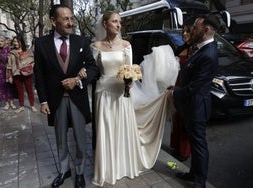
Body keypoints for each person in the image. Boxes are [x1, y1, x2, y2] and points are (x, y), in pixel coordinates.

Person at [89, 10, 179, 186]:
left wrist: (130, 82)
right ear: (105, 24)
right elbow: (94, 71)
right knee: (106, 131)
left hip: (122, 93)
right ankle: (108, 169)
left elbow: (129, 69)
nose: (118, 25)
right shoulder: (96, 46)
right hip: (104, 93)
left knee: (121, 128)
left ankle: (123, 165)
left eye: (119, 22)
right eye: (114, 21)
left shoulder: (126, 45)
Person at [33, 4, 99, 188]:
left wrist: (78, 81)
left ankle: (79, 171)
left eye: (72, 18)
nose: (71, 22)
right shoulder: (41, 43)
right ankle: (64, 170)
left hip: (77, 98)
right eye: (66, 19)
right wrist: (43, 100)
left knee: (80, 138)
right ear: (53, 21)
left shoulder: (81, 41)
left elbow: (93, 68)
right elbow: (39, 74)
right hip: (55, 100)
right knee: (60, 137)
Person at [167, 14, 221, 188]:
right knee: (194, 143)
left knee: (199, 146)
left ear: (205, 30)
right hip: (190, 106)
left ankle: (200, 182)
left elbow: (195, 87)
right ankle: (193, 173)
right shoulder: (200, 48)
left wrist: (176, 93)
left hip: (196, 108)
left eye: (196, 27)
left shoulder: (208, 53)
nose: (192, 30)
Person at [170, 18, 196, 162]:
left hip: (186, 88)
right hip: (176, 85)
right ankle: (175, 146)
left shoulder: (196, 50)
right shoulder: (180, 48)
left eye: (188, 31)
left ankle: (184, 152)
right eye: (183, 31)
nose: (184, 34)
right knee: (176, 118)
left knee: (185, 120)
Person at [7, 35, 37, 113]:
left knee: (29, 90)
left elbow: (33, 61)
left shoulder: (28, 51)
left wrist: (29, 67)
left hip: (27, 74)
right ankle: (21, 106)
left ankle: (32, 105)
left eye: (17, 41)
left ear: (21, 42)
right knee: (19, 91)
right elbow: (9, 65)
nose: (15, 43)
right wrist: (9, 76)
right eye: (14, 41)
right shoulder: (11, 52)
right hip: (16, 74)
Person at [0, 35, 17, 110]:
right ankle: (6, 103)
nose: (0, 42)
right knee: (1, 87)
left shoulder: (9, 49)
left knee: (10, 85)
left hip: (8, 70)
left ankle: (11, 103)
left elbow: (13, 60)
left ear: (5, 41)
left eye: (1, 41)